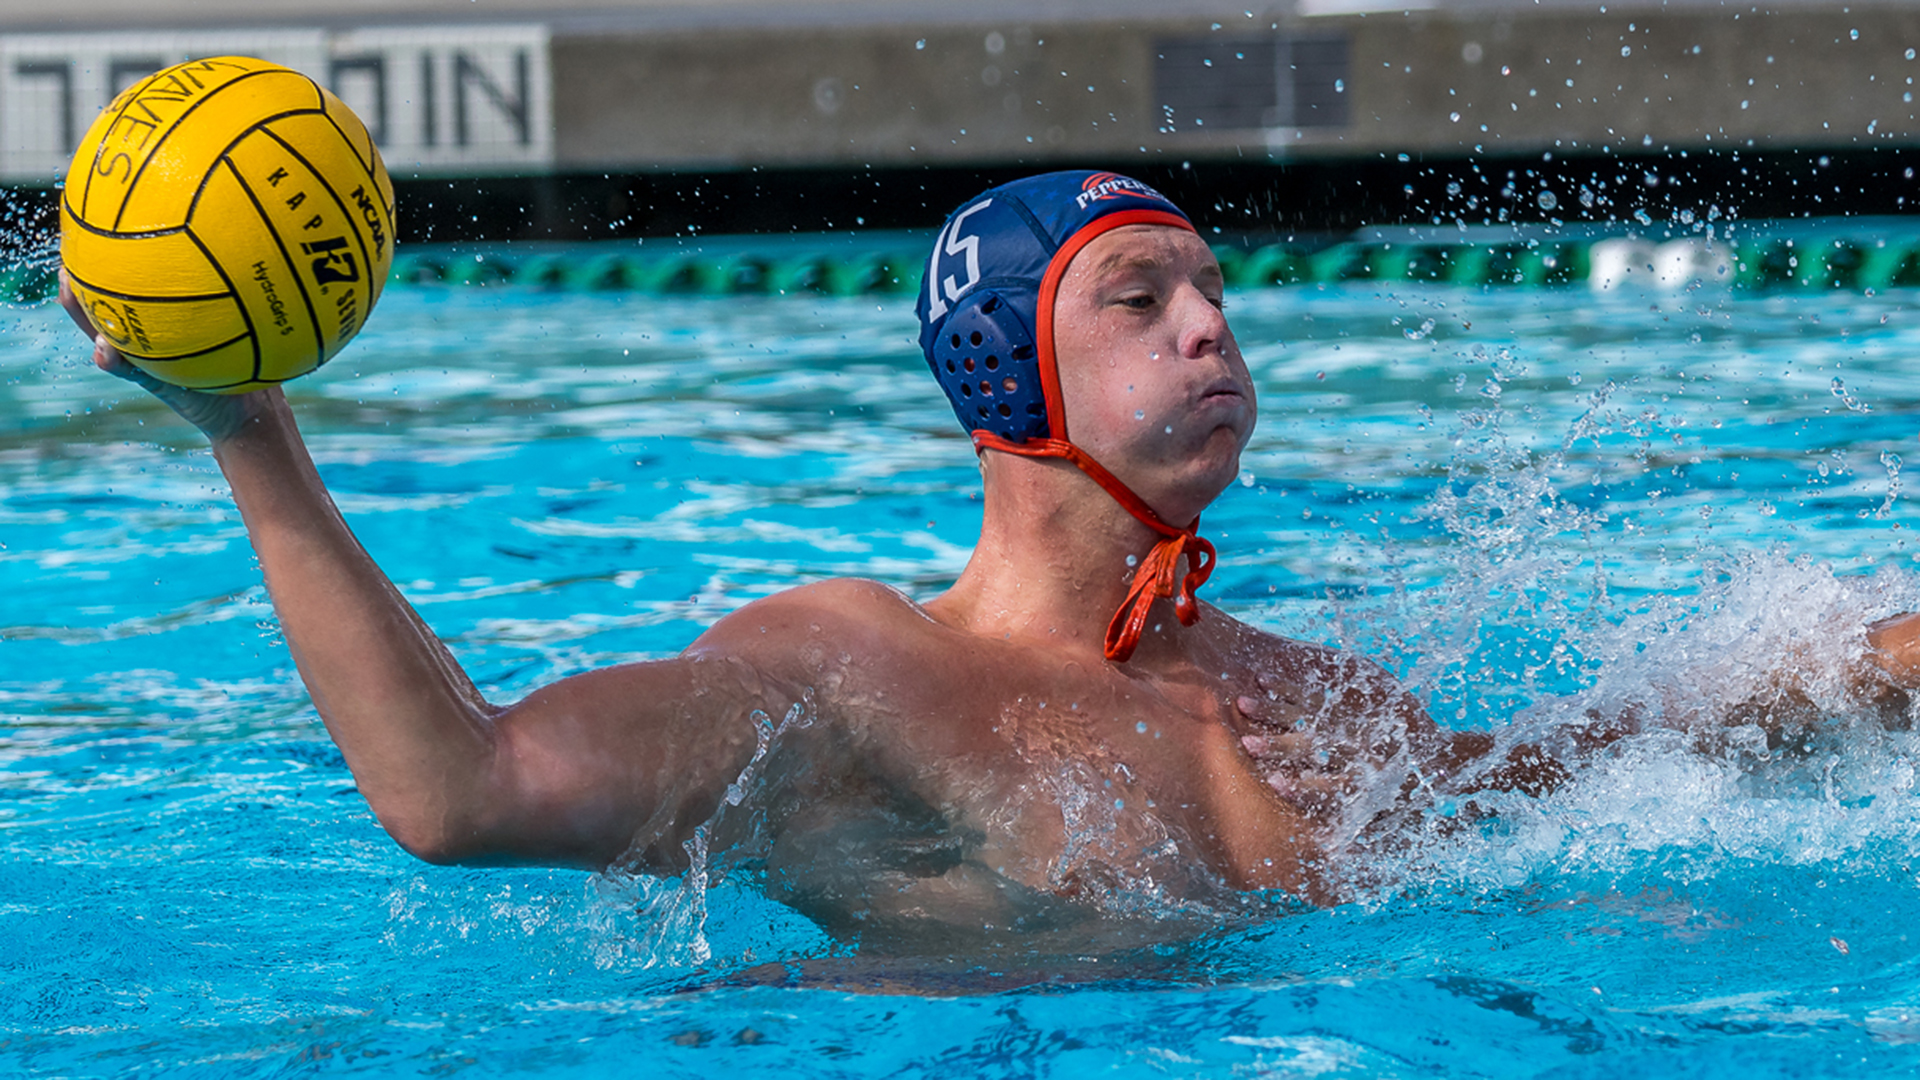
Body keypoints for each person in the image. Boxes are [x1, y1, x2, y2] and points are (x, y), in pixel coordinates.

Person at [57, 170, 1920, 952]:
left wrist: (1839, 668)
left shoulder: (1291, 692)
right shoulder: (851, 671)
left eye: (1214, 292)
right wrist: (251, 434)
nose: (1212, 329)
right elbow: (463, 795)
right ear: (1014, 374)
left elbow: (1555, 798)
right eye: (1142, 299)